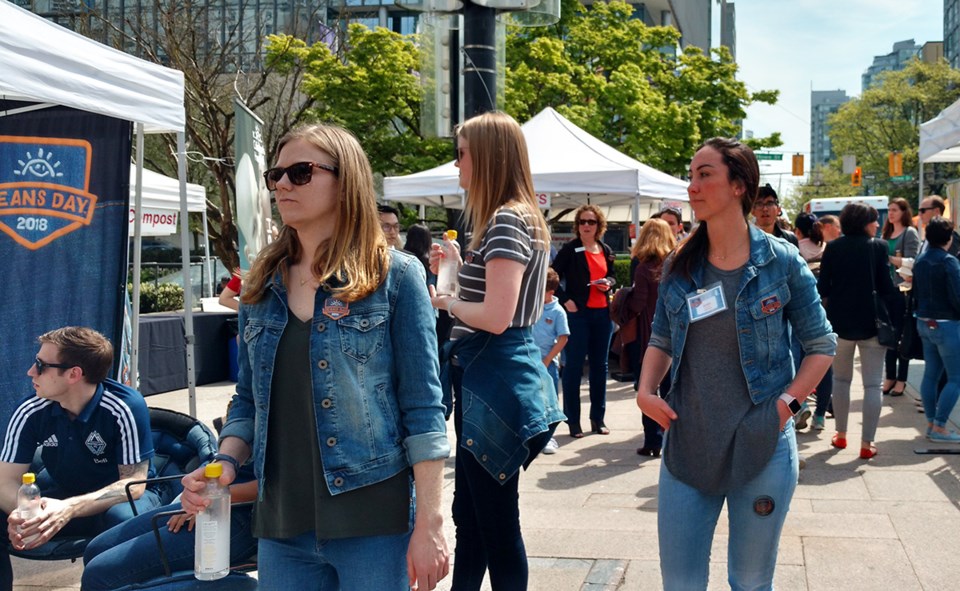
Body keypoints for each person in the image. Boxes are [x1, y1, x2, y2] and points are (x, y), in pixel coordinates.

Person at [179, 123, 451, 591]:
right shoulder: (261, 284)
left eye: (301, 172)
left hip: (373, 519)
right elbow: (247, 402)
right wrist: (224, 462)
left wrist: (430, 522)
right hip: (281, 522)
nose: (282, 184)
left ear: (345, 182)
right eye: (276, 174)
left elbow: (424, 410)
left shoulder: (397, 276)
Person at [635, 137, 835, 589]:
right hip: (689, 446)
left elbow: (821, 344)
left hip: (762, 445)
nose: (693, 186)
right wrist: (646, 391)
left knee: (750, 581)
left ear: (740, 185)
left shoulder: (781, 261)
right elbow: (661, 339)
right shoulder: (679, 267)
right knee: (681, 583)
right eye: (691, 176)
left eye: (705, 174)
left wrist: (784, 406)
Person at [428, 110, 564, 590]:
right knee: (477, 514)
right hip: (498, 374)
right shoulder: (514, 218)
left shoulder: (505, 220)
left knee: (493, 522)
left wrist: (445, 300)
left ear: (485, 157)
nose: (457, 165)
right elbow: (500, 301)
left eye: (461, 153)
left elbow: (497, 316)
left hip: (495, 376)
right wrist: (462, 266)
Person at [0, 327, 163, 591]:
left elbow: (133, 485)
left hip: (118, 503)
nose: (31, 371)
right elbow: (5, 481)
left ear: (74, 374)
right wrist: (25, 516)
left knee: (124, 517)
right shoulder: (30, 410)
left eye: (41, 365)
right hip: (58, 501)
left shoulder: (124, 406)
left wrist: (68, 509)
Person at [82, 462, 259, 590]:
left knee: (98, 575)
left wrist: (212, 499)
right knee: (95, 549)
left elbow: (278, 487)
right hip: (212, 495)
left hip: (243, 512)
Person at [818, 202, 896, 459]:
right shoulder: (878, 247)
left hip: (838, 323)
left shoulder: (834, 248)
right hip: (872, 323)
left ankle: (840, 435)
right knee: (873, 384)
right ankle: (866, 443)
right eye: (874, 220)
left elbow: (824, 287)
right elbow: (886, 287)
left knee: (841, 380)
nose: (877, 225)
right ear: (864, 222)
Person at [553, 204, 617, 437]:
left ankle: (597, 419)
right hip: (578, 315)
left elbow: (612, 275)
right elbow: (552, 276)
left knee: (600, 367)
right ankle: (573, 421)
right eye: (582, 222)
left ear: (599, 226)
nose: (586, 226)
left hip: (602, 314)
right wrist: (565, 299)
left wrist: (609, 282)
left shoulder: (605, 248)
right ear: (577, 225)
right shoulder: (571, 249)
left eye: (591, 222)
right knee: (574, 367)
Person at [624, 219, 675, 457]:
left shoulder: (642, 267)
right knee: (671, 388)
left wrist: (623, 298)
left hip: (649, 336)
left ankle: (652, 441)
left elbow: (638, 303)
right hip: (675, 334)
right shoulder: (675, 263)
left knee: (648, 387)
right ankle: (673, 439)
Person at [912, 217, 960, 442]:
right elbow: (956, 296)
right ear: (949, 239)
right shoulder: (949, 262)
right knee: (956, 377)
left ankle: (932, 423)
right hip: (947, 323)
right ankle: (940, 426)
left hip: (924, 321)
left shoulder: (920, 260)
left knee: (931, 374)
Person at [793, 212, 833, 431]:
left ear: (798, 231)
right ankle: (820, 416)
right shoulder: (827, 249)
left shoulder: (793, 248)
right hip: (825, 312)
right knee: (824, 363)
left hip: (799, 313)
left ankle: (798, 405)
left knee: (798, 364)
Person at [881, 198, 919, 397]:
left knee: (902, 336)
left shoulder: (909, 233)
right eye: (889, 210)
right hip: (887, 289)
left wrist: (891, 259)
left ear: (904, 212)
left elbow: (914, 261)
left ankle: (901, 379)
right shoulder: (886, 233)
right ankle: (889, 376)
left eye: (895, 210)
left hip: (903, 289)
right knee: (888, 335)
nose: (891, 213)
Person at [532, 267, 570, 455]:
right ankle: (533, 436)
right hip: (529, 362)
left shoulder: (558, 311)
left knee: (550, 402)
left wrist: (548, 359)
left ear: (550, 293)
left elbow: (563, 337)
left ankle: (548, 437)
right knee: (530, 400)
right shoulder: (531, 305)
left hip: (548, 365)